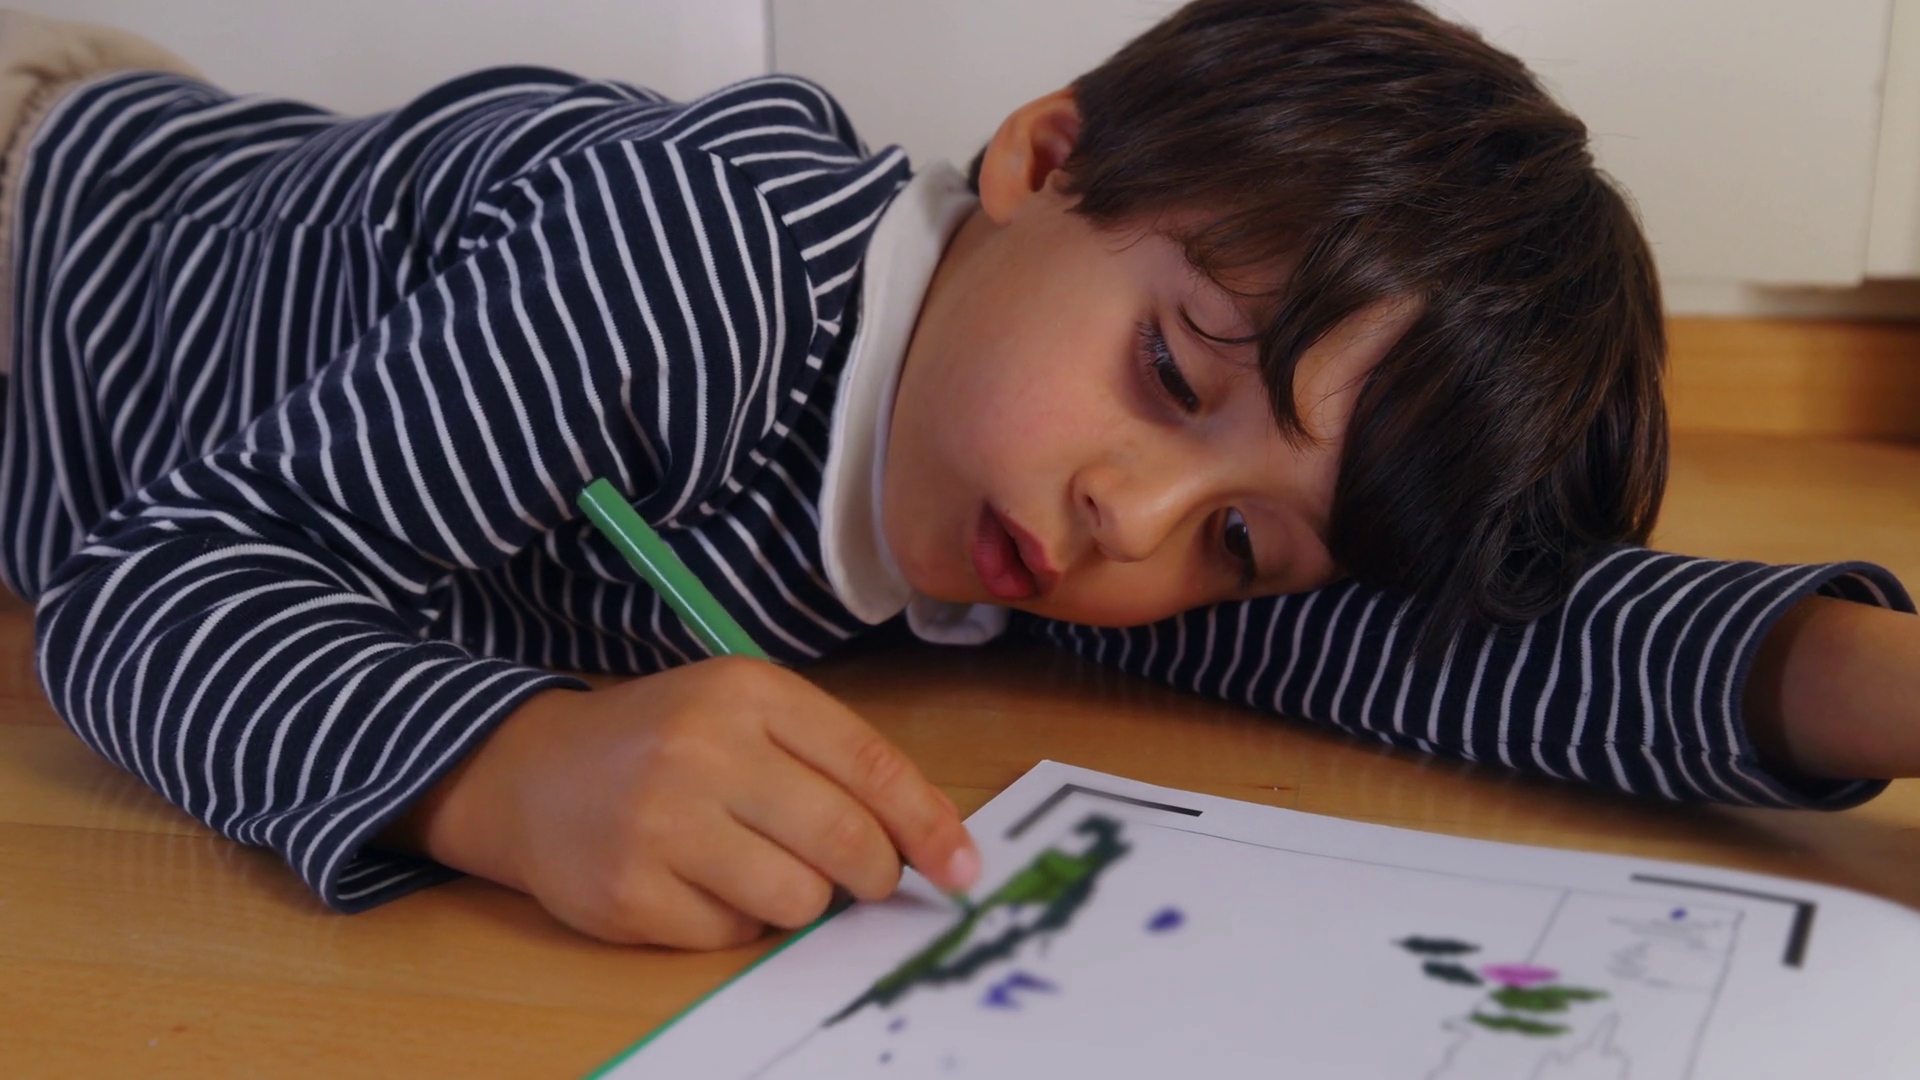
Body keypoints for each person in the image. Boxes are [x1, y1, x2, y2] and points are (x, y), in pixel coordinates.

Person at [2, 1, 1915, 950]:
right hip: (48, 241)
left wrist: (1847, 684)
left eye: (1239, 545)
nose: (1132, 523)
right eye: (1167, 370)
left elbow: (1436, 635)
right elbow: (152, 591)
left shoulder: (1053, 503)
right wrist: (502, 768)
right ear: (1037, 161)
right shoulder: (690, 269)